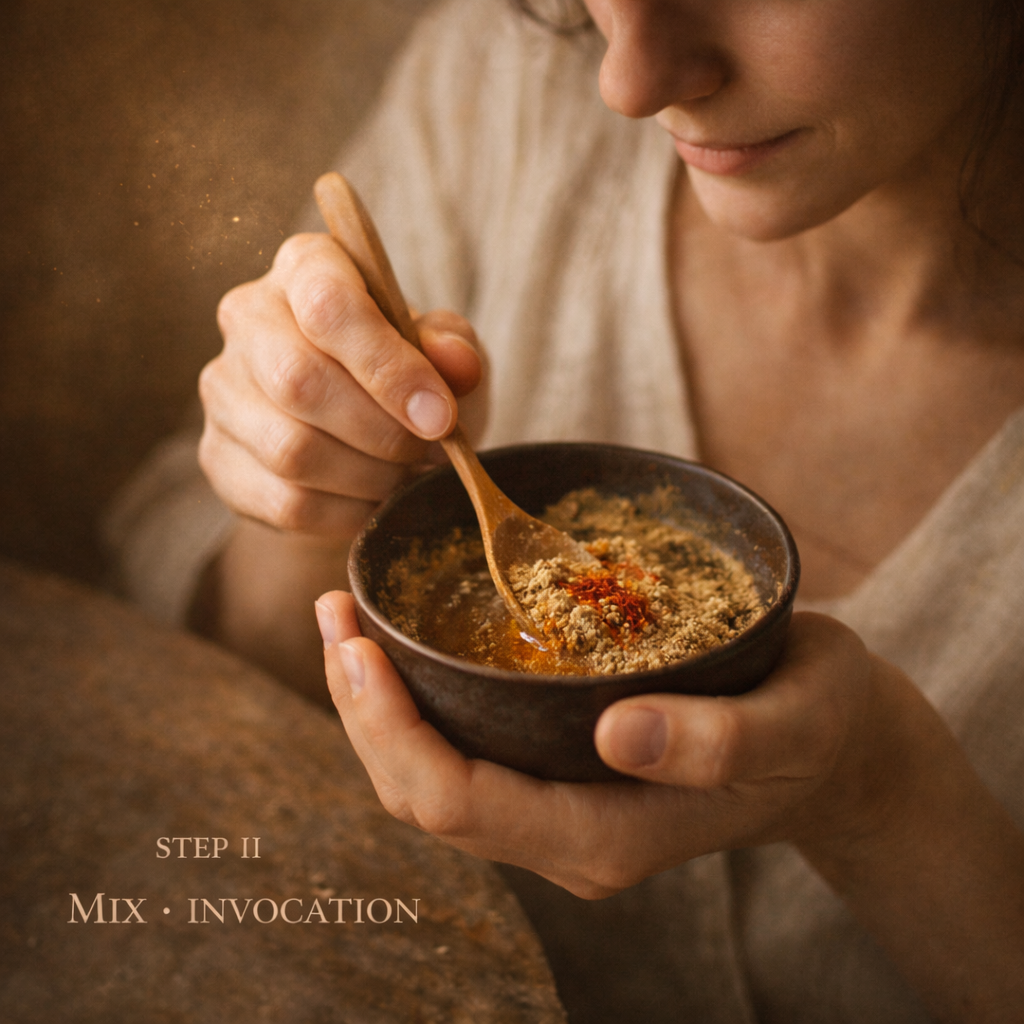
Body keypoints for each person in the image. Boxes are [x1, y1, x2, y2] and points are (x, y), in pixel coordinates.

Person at [109, 0, 1024, 1019]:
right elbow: (203, 718)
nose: (627, 84)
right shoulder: (511, 75)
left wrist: (875, 794)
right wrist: (323, 493)